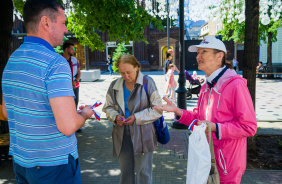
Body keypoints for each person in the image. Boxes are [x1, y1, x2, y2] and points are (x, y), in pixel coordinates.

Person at [2, 0, 94, 183]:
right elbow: (67, 126)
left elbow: (6, 112)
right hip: (54, 165)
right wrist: (84, 114)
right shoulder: (56, 63)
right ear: (46, 22)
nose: (66, 29)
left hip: (21, 162)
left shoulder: (12, 59)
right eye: (63, 22)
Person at [154, 36, 257, 184]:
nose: (198, 56)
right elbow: (199, 118)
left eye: (204, 51)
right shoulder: (206, 86)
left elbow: (249, 127)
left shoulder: (236, 85)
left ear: (219, 56)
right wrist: (178, 111)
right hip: (205, 159)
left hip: (227, 164)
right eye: (197, 52)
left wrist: (215, 128)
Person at [102, 54, 163, 184]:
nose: (126, 76)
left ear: (137, 67)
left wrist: (136, 117)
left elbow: (158, 109)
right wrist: (115, 116)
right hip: (122, 133)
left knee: (143, 172)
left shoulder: (148, 82)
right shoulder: (114, 85)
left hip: (144, 133)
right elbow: (108, 107)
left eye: (129, 72)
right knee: (125, 172)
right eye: (122, 73)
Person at [63, 42, 83, 133]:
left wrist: (76, 81)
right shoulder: (59, 60)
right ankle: (65, 125)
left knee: (75, 104)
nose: (73, 51)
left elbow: (78, 73)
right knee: (65, 106)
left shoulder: (74, 60)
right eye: (71, 49)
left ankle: (75, 125)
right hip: (64, 86)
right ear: (66, 49)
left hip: (75, 86)